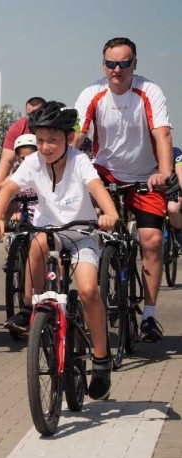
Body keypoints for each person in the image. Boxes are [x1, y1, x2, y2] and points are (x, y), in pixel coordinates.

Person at [0, 101, 119, 401]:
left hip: (82, 232)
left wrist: (109, 213)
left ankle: (101, 359)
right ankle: (32, 305)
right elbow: (9, 188)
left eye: (53, 140)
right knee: (36, 243)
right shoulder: (33, 162)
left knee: (87, 292)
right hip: (49, 232)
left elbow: (96, 187)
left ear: (68, 139)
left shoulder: (79, 161)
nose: (45, 147)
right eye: (40, 140)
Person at [73, 37, 174, 342]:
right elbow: (77, 135)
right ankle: (103, 274)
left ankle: (150, 317)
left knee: (152, 241)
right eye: (111, 63)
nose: (117, 69)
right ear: (103, 65)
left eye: (124, 63)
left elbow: (162, 135)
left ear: (134, 65)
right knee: (96, 234)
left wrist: (165, 172)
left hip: (145, 175)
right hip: (105, 173)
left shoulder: (149, 91)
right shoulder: (92, 93)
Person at [0, 97, 47, 191]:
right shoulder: (17, 128)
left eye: (36, 114)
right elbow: (6, 161)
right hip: (24, 176)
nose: (33, 118)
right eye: (29, 115)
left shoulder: (54, 128)